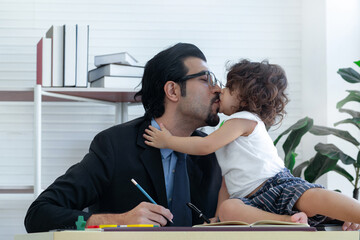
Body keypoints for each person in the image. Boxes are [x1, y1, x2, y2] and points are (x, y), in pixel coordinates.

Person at [24, 43, 222, 233]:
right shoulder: (115, 146)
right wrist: (117, 221)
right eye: (206, 80)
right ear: (172, 90)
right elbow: (38, 214)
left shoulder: (212, 153)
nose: (217, 90)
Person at [143, 59, 360, 231]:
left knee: (313, 197)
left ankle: (354, 214)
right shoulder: (229, 131)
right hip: (252, 201)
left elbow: (205, 146)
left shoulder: (243, 120)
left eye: (228, 88)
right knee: (229, 209)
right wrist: (219, 219)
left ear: (245, 97)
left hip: (276, 184)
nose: (220, 90)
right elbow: (226, 184)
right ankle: (290, 222)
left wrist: (168, 141)